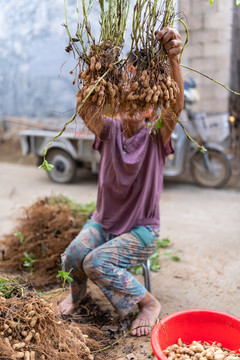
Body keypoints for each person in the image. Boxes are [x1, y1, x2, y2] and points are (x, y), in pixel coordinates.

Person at [58, 27, 184, 337]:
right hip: (103, 223)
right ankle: (78, 294)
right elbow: (85, 106)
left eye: (142, 95)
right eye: (128, 89)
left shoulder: (157, 138)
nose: (134, 100)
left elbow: (176, 107)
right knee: (73, 256)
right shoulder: (109, 130)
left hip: (141, 231)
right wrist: (96, 64)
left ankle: (149, 304)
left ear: (151, 107)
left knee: (96, 263)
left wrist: (174, 59)